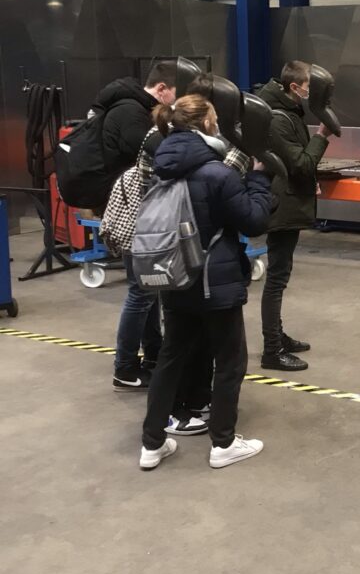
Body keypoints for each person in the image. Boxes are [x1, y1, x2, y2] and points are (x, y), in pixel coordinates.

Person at [139, 95, 272, 470]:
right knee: (230, 362)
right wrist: (259, 179)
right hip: (216, 282)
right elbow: (254, 222)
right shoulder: (218, 174)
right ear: (207, 124)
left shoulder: (161, 167)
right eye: (215, 118)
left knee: (171, 359)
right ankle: (223, 444)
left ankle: (151, 444)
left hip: (174, 276)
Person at [104, 60, 177, 392]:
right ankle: (124, 367)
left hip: (144, 226)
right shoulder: (152, 133)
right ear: (163, 90)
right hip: (143, 228)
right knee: (141, 295)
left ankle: (152, 355)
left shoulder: (148, 125)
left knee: (147, 294)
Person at [257, 61, 331, 371]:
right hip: (282, 205)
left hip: (288, 201)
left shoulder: (288, 112)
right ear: (293, 87)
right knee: (276, 279)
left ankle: (278, 336)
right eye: (308, 88)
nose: (309, 93)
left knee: (280, 274)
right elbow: (300, 163)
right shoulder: (278, 118)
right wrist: (322, 136)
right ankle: (272, 350)